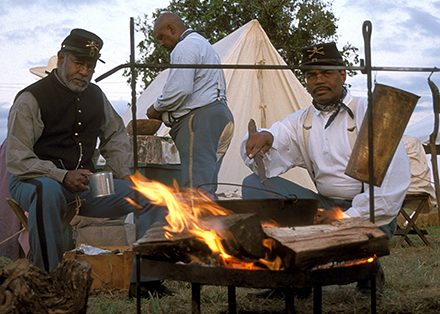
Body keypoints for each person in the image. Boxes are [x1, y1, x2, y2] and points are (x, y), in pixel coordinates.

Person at [6, 28, 174, 298]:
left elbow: (116, 136)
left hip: (86, 185)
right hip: (32, 181)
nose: (84, 71)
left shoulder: (96, 96)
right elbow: (16, 158)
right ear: (61, 58)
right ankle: (47, 284)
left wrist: (125, 173)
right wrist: (60, 176)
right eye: (78, 63)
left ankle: (146, 280)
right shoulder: (31, 99)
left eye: (90, 66)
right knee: (46, 191)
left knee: (152, 195)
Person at [241, 42, 411, 297]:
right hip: (322, 206)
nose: (318, 80)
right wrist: (263, 139)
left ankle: (369, 269)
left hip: (370, 212)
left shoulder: (370, 112)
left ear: (342, 75)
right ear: (306, 81)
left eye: (326, 73)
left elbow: (390, 191)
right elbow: (267, 145)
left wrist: (345, 217)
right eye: (311, 75)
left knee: (365, 225)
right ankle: (292, 279)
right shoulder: (301, 121)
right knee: (251, 184)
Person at [146, 12, 234, 199]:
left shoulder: (184, 46)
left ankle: (198, 227)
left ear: (172, 29)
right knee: (206, 187)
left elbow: (180, 90)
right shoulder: (204, 45)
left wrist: (157, 108)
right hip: (221, 116)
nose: (161, 43)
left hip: (200, 119)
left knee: (195, 192)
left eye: (161, 37)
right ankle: (213, 226)